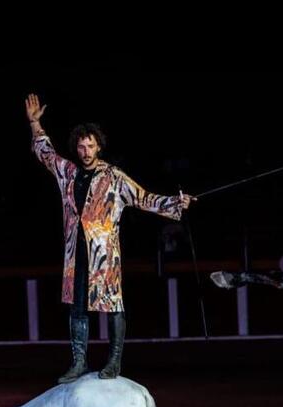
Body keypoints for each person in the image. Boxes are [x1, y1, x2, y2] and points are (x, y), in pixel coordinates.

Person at [25, 93, 194, 382]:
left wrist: (177, 203)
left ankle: (114, 361)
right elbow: (45, 153)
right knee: (77, 305)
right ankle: (79, 362)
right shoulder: (68, 172)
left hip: (104, 255)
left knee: (112, 303)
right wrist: (34, 123)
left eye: (90, 146)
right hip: (74, 252)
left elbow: (144, 198)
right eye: (81, 146)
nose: (86, 151)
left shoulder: (114, 177)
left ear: (99, 147)